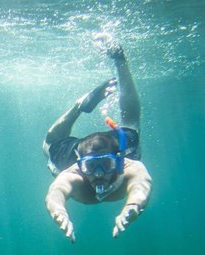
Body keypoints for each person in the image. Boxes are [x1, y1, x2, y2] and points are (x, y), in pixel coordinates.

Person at [43, 34, 152, 242]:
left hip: (113, 145)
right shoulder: (72, 172)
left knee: (131, 126)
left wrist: (133, 206)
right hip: (74, 149)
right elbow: (56, 192)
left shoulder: (129, 164)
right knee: (50, 144)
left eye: (107, 164)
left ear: (119, 160)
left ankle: (120, 59)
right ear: (80, 165)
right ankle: (79, 106)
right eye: (91, 167)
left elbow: (142, 184)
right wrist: (59, 212)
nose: (99, 174)